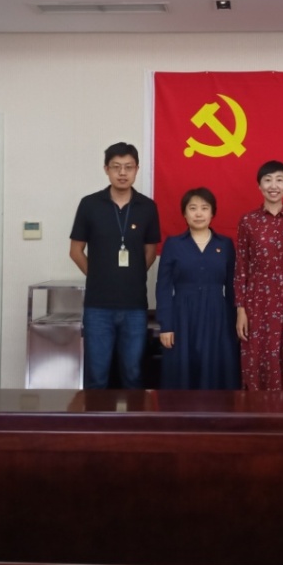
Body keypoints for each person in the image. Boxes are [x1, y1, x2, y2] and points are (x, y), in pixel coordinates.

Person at [69, 142, 161, 389]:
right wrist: (99, 276)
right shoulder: (89, 204)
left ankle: (133, 416)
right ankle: (96, 416)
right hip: (98, 306)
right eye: (116, 167)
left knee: (133, 374)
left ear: (137, 169)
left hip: (135, 306)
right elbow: (75, 251)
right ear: (106, 169)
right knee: (97, 375)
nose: (122, 173)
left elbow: (151, 252)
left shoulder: (147, 207)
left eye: (128, 167)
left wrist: (132, 275)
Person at [234, 160, 283, 391]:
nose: (273, 185)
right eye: (267, 180)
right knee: (257, 355)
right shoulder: (248, 221)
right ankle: (257, 409)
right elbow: (241, 267)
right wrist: (240, 310)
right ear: (259, 186)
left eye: (279, 180)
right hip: (258, 300)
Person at [155, 187, 239, 390]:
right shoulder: (173, 244)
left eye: (204, 208)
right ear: (184, 213)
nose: (199, 213)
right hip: (182, 316)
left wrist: (234, 322)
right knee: (182, 371)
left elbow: (232, 287)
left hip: (217, 316)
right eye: (193, 208)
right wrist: (166, 325)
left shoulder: (225, 245)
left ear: (212, 213)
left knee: (216, 370)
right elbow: (163, 287)